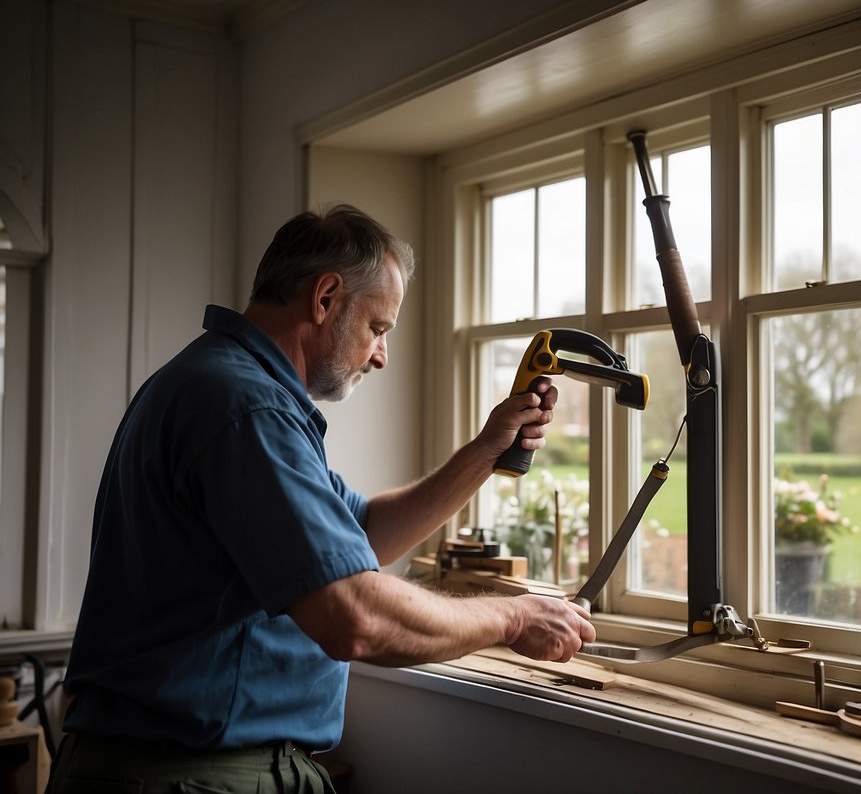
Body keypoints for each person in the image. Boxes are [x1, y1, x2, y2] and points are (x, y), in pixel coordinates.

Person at [47, 203, 596, 792]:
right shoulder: (245, 408)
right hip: (189, 773)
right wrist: (511, 616)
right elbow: (351, 618)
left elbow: (359, 533)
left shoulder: (222, 385)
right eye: (377, 328)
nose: (381, 355)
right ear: (326, 297)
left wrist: (486, 453)